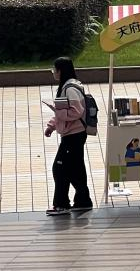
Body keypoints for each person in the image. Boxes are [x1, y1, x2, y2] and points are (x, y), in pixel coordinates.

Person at [44, 57, 93, 216]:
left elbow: (76, 112)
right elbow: (62, 110)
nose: (53, 72)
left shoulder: (70, 89)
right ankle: (83, 201)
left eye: (54, 69)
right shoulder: (68, 86)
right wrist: (52, 125)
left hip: (74, 135)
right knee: (76, 169)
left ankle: (61, 204)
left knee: (59, 168)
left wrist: (57, 112)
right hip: (73, 133)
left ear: (61, 71)